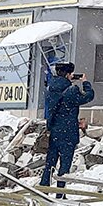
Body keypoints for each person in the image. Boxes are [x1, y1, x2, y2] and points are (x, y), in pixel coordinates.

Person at [40, 62, 94, 194]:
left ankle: (43, 188)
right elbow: (88, 96)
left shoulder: (49, 89)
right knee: (65, 165)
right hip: (68, 132)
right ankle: (60, 192)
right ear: (69, 74)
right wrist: (85, 82)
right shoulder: (70, 90)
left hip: (54, 131)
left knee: (50, 163)